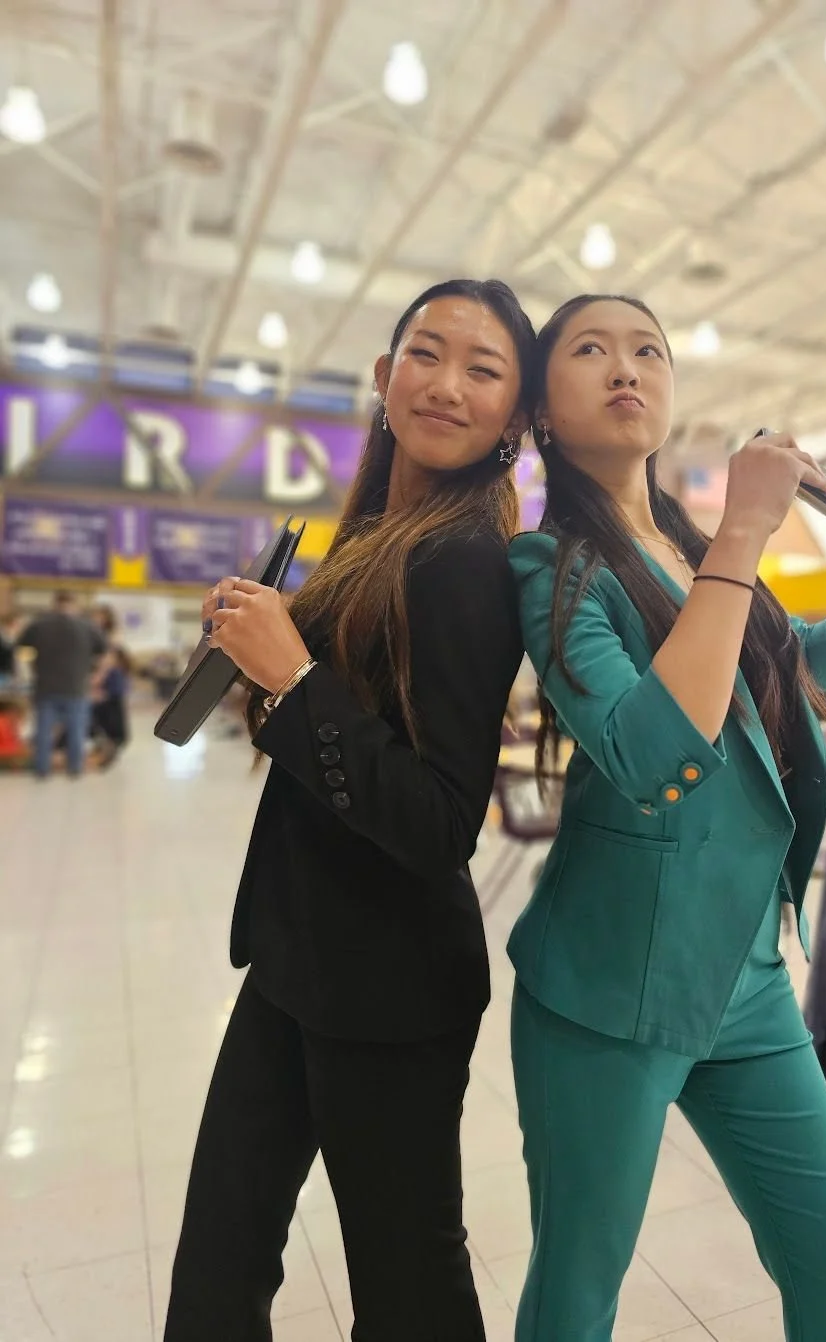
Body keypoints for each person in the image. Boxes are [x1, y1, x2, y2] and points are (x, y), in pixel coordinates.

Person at [506, 294, 826, 1342]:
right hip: (605, 994)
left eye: (648, 349)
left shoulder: (686, 544)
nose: (628, 366)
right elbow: (652, 752)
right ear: (543, 413)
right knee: (577, 1296)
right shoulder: (550, 566)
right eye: (591, 349)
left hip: (743, 980)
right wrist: (746, 528)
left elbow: (783, 656)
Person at [164, 278, 536, 1342]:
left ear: (513, 416)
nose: (447, 384)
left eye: (483, 369)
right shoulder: (379, 530)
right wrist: (265, 649)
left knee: (406, 1286)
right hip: (295, 954)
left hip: (391, 986)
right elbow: (348, 723)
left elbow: (438, 822)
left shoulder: (468, 560)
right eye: (427, 352)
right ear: (384, 376)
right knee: (220, 1256)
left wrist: (293, 680)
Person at [17, 590, 106, 778]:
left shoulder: (38, 625)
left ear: (54, 603)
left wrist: (32, 667)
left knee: (43, 730)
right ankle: (74, 768)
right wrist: (93, 673)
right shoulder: (87, 626)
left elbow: (21, 648)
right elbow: (103, 651)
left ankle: (42, 768)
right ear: (75, 604)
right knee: (76, 730)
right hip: (76, 687)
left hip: (45, 686)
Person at [89, 606, 131, 766]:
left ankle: (111, 750)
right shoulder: (91, 636)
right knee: (99, 719)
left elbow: (109, 659)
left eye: (99, 617)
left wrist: (97, 678)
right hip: (98, 679)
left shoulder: (111, 636)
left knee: (113, 718)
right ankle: (104, 750)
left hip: (110, 681)